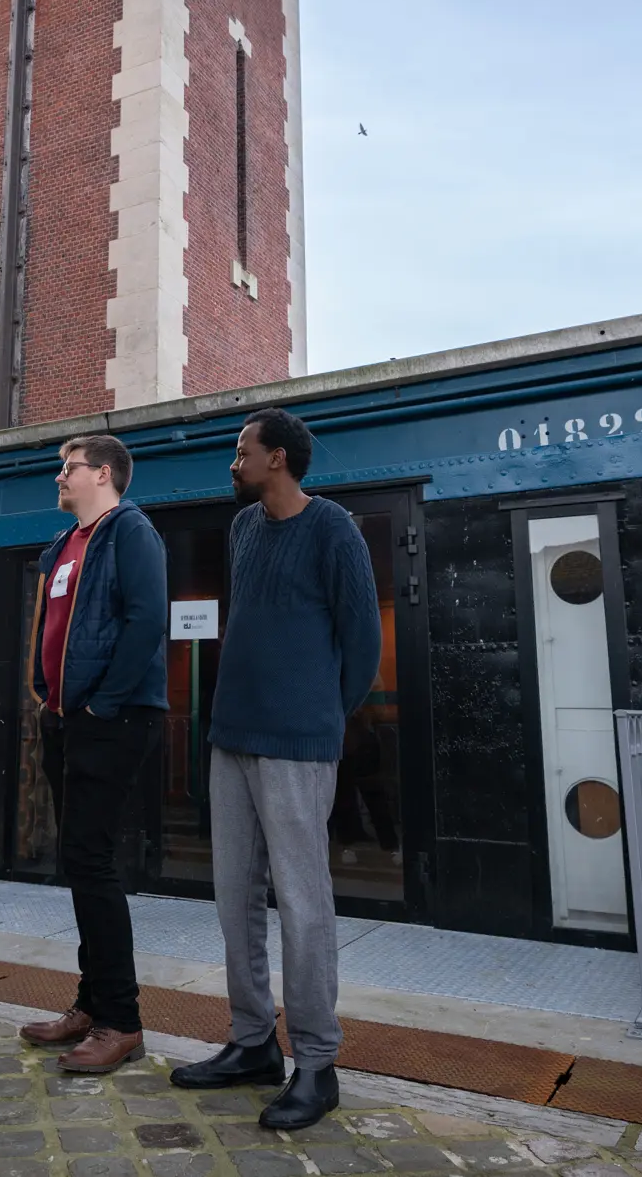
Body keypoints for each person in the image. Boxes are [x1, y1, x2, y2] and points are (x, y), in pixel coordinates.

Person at [170, 408, 381, 1131]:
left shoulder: (332, 531)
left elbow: (360, 640)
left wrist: (320, 713)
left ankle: (316, 1065)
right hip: (230, 735)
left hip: (297, 741)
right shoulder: (241, 528)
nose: (232, 463)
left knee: (301, 901)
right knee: (234, 897)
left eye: (242, 452)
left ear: (279, 459)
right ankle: (253, 1042)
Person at [18, 435, 167, 1072]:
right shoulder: (64, 546)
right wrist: (49, 700)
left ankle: (121, 1021)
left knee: (91, 858)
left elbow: (145, 618)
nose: (59, 476)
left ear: (102, 474)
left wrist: (102, 704)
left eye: (68, 468)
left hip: (114, 716)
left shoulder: (129, 532)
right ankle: (90, 1002)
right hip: (66, 718)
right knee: (79, 861)